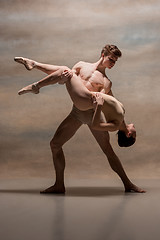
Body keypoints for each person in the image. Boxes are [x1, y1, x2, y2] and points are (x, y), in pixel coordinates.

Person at [14, 44, 145, 193]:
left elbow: (106, 103)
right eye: (111, 59)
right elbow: (61, 77)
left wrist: (124, 126)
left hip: (90, 113)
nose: (113, 63)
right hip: (76, 112)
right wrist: (62, 80)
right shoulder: (82, 65)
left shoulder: (107, 82)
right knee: (55, 144)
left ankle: (128, 184)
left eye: (115, 61)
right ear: (102, 55)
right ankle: (59, 184)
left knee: (108, 150)